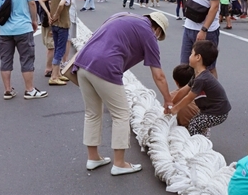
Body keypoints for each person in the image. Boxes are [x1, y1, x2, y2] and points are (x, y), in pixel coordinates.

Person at [72, 11, 173, 175]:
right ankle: (119, 163)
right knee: (121, 114)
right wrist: (168, 99)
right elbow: (158, 75)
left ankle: (93, 158)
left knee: (92, 113)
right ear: (158, 30)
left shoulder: (121, 16)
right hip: (106, 66)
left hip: (82, 63)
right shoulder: (149, 34)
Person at [166, 41, 230, 137]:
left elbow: (189, 98)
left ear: (198, 57)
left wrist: (174, 109)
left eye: (192, 53)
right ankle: (202, 136)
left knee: (194, 125)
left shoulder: (202, 79)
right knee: (196, 121)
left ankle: (196, 145)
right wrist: (171, 103)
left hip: (218, 112)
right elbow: (183, 90)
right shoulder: (198, 75)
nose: (190, 55)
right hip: (209, 109)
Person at [45, 0, 72, 86]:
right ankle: (54, 76)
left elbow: (41, 0)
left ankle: (58, 74)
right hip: (63, 24)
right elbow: (61, 4)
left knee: (57, 47)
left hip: (54, 25)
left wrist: (49, 14)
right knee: (60, 50)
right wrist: (56, 14)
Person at [37, 0, 60, 76]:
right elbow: (52, 2)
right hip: (50, 16)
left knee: (49, 44)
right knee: (52, 45)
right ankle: (48, 68)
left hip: (42, 14)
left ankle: (50, 67)